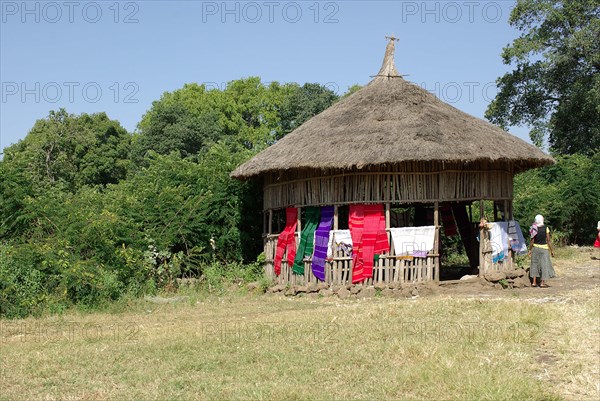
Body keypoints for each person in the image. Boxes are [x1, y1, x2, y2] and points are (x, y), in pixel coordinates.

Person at [528, 214, 555, 288]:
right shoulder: (546, 228)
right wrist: (551, 250)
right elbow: (548, 240)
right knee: (544, 265)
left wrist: (530, 250)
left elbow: (532, 240)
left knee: (534, 264)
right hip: (544, 249)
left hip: (535, 248)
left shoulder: (534, 228)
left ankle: (534, 282)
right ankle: (542, 283)